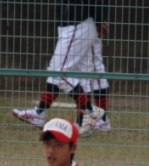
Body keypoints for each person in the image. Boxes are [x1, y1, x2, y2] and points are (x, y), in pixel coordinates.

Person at [11, 0, 109, 137]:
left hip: (79, 19)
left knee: (60, 73)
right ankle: (43, 114)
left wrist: (100, 18)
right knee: (63, 69)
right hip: (70, 20)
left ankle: (91, 111)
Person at [81, 28, 112, 132]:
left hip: (90, 26)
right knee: (84, 69)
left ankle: (102, 119)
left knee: (94, 67)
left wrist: (99, 22)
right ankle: (87, 118)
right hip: (80, 27)